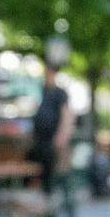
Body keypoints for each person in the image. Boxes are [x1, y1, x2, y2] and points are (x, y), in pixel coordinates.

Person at [27, 63, 71, 195]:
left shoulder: (60, 93)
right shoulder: (42, 91)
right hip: (41, 138)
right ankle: (45, 194)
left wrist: (61, 135)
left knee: (56, 170)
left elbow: (66, 115)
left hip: (53, 139)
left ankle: (55, 197)